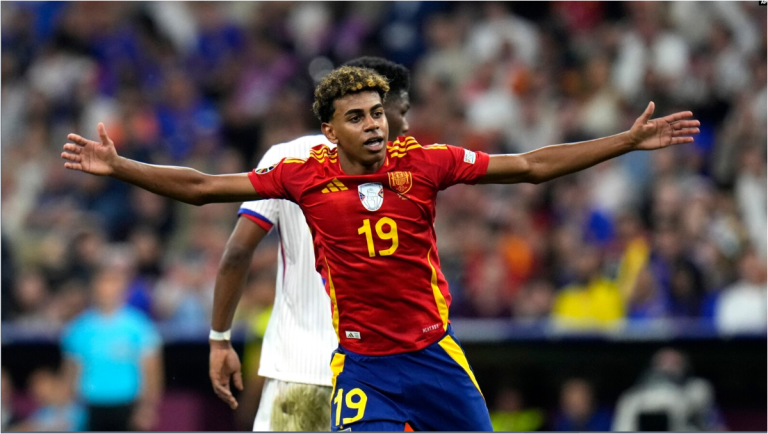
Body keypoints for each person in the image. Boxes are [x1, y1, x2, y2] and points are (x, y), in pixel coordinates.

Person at [61, 66, 699, 430]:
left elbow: (530, 165)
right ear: (329, 128)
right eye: (358, 116)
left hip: (434, 356)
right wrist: (121, 168)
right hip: (363, 370)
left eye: (378, 112)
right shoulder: (302, 174)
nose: (375, 125)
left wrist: (623, 140)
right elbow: (201, 187)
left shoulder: (425, 161)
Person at [208, 57, 412, 432]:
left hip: (300, 372)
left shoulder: (287, 157)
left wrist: (220, 339)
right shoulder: (410, 174)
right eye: (402, 110)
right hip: (376, 378)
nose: (405, 123)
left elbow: (237, 251)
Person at [61, 267, 164, 431]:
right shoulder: (78, 329)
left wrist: (147, 408)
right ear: (93, 287)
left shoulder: (139, 326)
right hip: (91, 408)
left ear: (123, 288)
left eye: (113, 282)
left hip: (129, 406)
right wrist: (66, 411)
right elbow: (70, 373)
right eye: (103, 282)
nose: (107, 289)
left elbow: (152, 370)